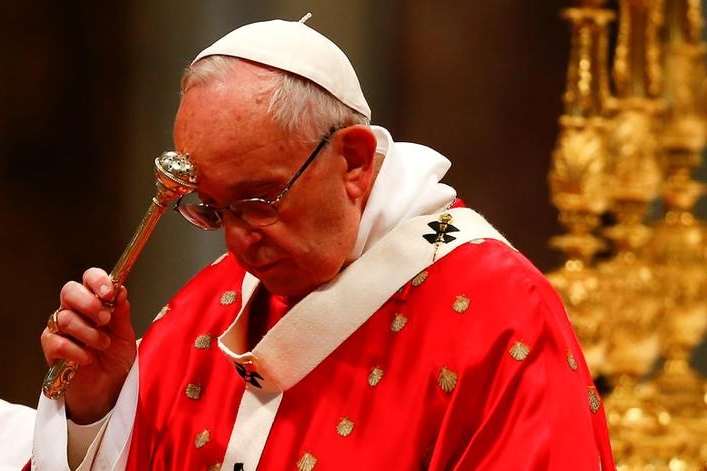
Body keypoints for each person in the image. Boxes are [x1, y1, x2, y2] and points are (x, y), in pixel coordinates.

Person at [33, 17, 614, 470]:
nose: (238, 241)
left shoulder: (497, 314)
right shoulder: (213, 304)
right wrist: (101, 407)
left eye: (260, 201)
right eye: (212, 208)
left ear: (354, 161)